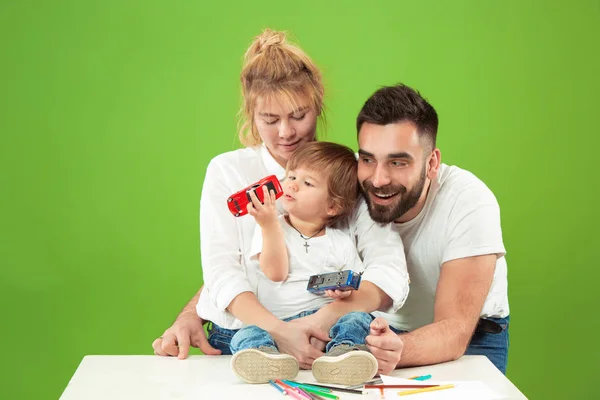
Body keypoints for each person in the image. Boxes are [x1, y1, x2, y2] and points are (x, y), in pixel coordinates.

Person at [152, 29, 409, 374]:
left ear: (318, 106)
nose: (286, 132)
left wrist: (320, 320)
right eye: (270, 120)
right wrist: (281, 331)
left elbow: (388, 266)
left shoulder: (343, 170)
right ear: (250, 115)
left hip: (326, 336)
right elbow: (222, 269)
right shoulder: (228, 171)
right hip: (251, 335)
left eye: (299, 116)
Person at [358, 84, 510, 374]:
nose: (377, 179)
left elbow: (454, 332)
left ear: (432, 164)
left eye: (398, 162)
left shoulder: (470, 201)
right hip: (376, 330)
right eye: (367, 159)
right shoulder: (348, 187)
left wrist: (395, 350)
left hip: (470, 336)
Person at [208, 141, 379, 385]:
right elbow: (275, 273)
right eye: (291, 176)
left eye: (307, 183)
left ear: (333, 206)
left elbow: (357, 287)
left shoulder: (339, 241)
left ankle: (342, 354)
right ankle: (266, 357)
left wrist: (344, 290)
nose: (292, 185)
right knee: (246, 332)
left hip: (321, 325)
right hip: (276, 324)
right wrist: (268, 225)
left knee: (359, 319)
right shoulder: (270, 227)